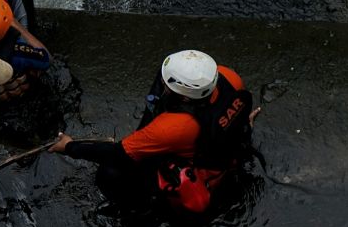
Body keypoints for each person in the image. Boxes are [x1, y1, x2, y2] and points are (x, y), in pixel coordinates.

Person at [49, 49, 260, 214]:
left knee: (109, 172)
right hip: (227, 148)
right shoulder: (228, 76)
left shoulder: (172, 127)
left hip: (203, 168)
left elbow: (119, 154)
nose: (162, 85)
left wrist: (69, 146)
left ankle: (138, 209)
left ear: (185, 98)